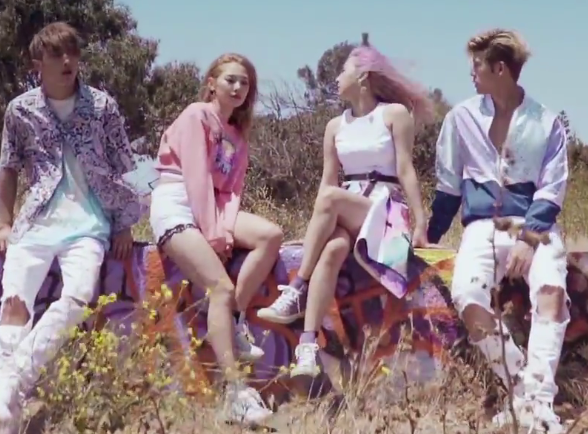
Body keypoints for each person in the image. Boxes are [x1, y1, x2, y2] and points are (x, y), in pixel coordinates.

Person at [257, 35, 434, 380]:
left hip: (384, 210)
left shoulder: (394, 115)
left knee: (331, 198)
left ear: (363, 76)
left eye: (343, 71)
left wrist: (420, 221)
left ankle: (297, 288)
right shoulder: (335, 126)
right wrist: (314, 234)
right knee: (332, 249)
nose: (337, 79)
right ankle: (307, 346)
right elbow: (328, 180)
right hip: (347, 208)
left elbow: (405, 169)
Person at [0, 22, 142, 428]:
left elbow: (121, 167)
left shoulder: (102, 106)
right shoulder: (20, 110)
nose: (68, 61)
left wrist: (123, 223)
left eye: (73, 52)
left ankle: (10, 382)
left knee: (78, 297)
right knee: (13, 305)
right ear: (37, 63)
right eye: (57, 54)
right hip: (36, 223)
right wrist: (4, 223)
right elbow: (8, 167)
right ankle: (6, 411)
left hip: (89, 223)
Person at [427, 29, 569, 433]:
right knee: (468, 294)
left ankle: (540, 407)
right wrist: (430, 236)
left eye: (477, 66)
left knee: (551, 293)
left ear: (500, 69)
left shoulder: (547, 122)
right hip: (481, 227)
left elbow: (553, 188)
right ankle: (522, 391)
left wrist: (529, 238)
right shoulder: (461, 119)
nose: (471, 74)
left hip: (536, 226)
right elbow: (448, 188)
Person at [149, 53, 283, 426]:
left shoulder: (238, 136)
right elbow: (196, 178)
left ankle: (233, 320)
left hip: (214, 207)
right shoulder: (197, 115)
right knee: (219, 289)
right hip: (178, 202)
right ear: (212, 83)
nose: (238, 88)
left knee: (270, 235)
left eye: (245, 83)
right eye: (230, 80)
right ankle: (235, 393)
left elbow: (232, 191)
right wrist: (213, 235)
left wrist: (222, 228)